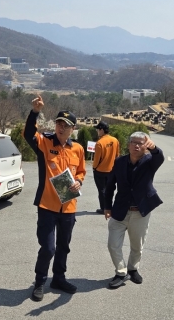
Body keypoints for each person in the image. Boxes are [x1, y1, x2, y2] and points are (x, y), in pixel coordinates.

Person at [23, 94, 86, 302]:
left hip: (69, 206)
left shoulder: (78, 149)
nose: (61, 127)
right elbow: (28, 134)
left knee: (63, 246)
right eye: (59, 123)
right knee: (48, 247)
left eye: (66, 125)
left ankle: (59, 278)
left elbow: (81, 171)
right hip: (47, 206)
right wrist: (35, 112)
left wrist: (79, 181)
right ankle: (40, 281)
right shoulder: (45, 142)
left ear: (72, 129)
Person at [104, 131, 164, 289]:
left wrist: (154, 148)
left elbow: (160, 157)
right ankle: (121, 272)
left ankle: (133, 269)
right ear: (128, 145)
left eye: (140, 143)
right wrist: (107, 206)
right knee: (113, 244)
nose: (136, 146)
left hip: (140, 211)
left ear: (145, 146)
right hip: (119, 210)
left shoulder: (150, 161)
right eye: (133, 142)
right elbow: (110, 185)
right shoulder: (119, 162)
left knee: (137, 245)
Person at [92, 121, 120, 214]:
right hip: (112, 169)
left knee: (102, 190)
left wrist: (94, 167)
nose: (97, 131)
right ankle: (110, 206)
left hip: (100, 170)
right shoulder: (115, 140)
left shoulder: (99, 143)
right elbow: (117, 155)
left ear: (102, 130)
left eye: (98, 129)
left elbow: (97, 159)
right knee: (110, 189)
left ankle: (104, 208)